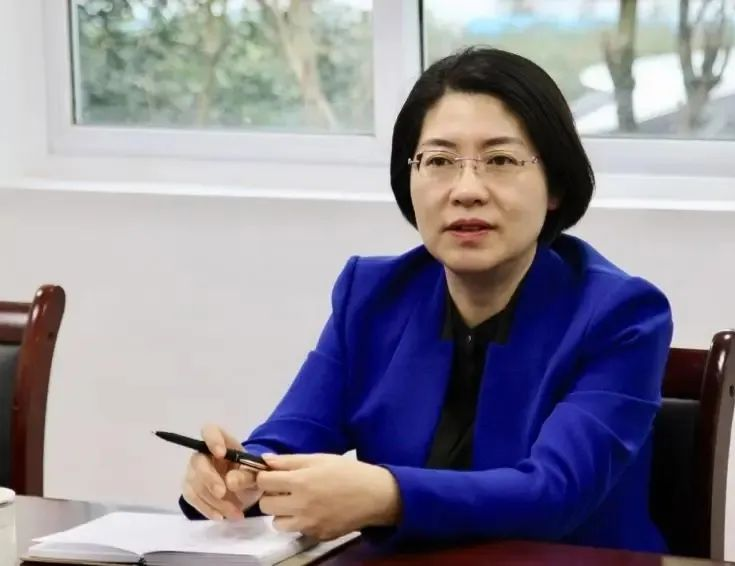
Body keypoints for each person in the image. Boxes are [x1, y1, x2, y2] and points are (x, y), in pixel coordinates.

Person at [179, 47, 674, 554]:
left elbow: (555, 494)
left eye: (500, 160)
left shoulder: (622, 316)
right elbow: (294, 433)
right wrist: (240, 473)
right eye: (439, 161)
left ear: (555, 186)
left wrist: (388, 496)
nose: (466, 190)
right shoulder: (372, 296)